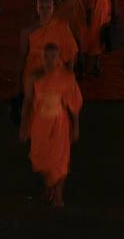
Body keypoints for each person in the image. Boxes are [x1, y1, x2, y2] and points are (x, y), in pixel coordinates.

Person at [19, 42, 83, 207]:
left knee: (60, 161)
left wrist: (76, 126)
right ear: (42, 57)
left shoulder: (66, 77)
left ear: (58, 57)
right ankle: (49, 186)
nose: (50, 60)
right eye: (47, 56)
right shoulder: (34, 76)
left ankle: (58, 194)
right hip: (40, 123)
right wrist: (23, 126)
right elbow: (27, 102)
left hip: (59, 124)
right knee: (41, 160)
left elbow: (73, 103)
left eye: (53, 56)